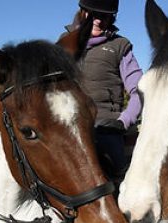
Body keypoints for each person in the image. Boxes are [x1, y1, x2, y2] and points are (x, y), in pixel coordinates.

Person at [60, 0, 143, 185]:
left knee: (117, 174)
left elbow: (139, 90)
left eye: (105, 16)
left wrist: (124, 120)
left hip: (107, 124)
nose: (98, 20)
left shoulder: (120, 45)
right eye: (93, 14)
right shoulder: (63, 44)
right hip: (67, 124)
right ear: (82, 12)